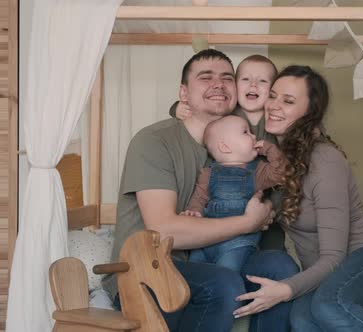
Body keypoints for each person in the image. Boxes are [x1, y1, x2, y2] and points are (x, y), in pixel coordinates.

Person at [104, 49, 298, 332]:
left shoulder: (240, 148)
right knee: (222, 282)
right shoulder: (154, 141)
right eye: (205, 78)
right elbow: (164, 232)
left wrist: (267, 210)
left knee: (280, 268)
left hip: (220, 258)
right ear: (183, 93)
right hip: (148, 270)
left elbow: (276, 186)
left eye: (227, 78)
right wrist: (248, 222)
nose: (218, 84)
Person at [232, 65, 363, 332]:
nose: (274, 105)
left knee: (326, 307)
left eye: (288, 101)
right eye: (273, 96)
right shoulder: (274, 159)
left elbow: (334, 257)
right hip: (327, 279)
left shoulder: (324, 158)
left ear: (309, 114)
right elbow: (224, 128)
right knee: (301, 321)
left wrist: (286, 289)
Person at [172, 54, 285, 250]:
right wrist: (177, 108)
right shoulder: (228, 113)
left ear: (272, 90)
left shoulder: (275, 115)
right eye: (245, 79)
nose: (253, 85)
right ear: (235, 86)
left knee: (272, 243)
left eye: (262, 81)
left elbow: (300, 118)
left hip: (268, 198)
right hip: (228, 192)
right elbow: (201, 110)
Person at [183, 115, 287, 272]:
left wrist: (269, 148)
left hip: (237, 244)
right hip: (205, 241)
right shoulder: (208, 173)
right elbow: (199, 197)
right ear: (225, 146)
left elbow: (281, 172)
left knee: (226, 275)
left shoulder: (257, 171)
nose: (254, 136)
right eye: (246, 132)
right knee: (193, 275)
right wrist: (194, 212)